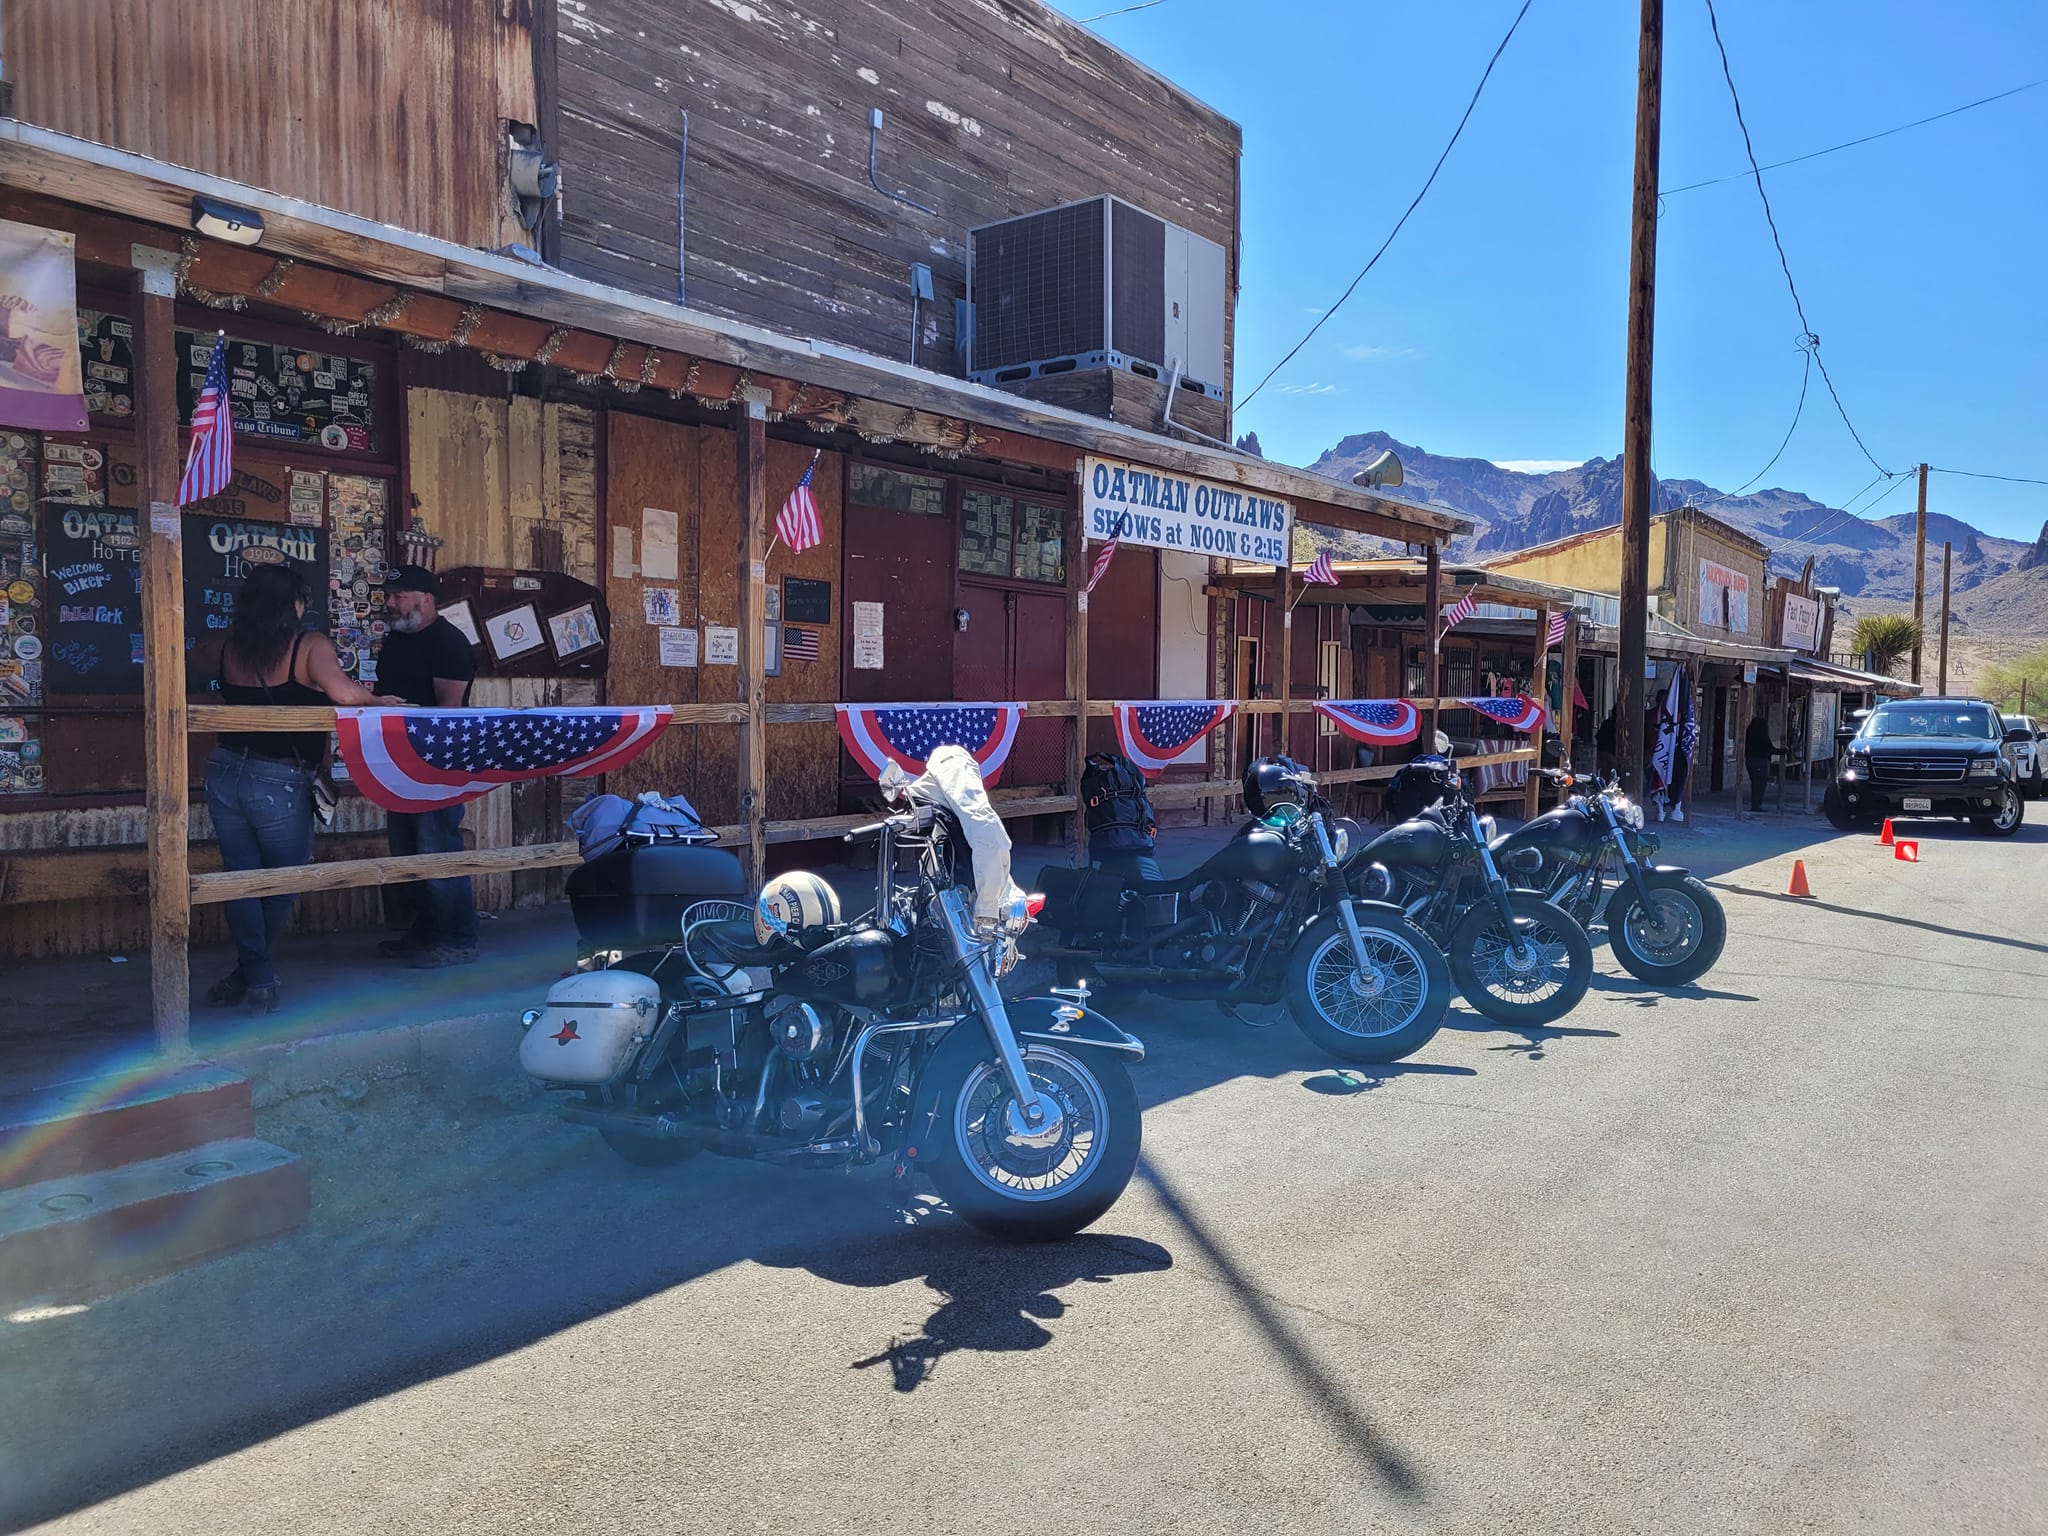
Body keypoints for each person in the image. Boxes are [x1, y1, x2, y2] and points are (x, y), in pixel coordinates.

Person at [206, 564, 397, 1013]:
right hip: (280, 778)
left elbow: (197, 666)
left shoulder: (225, 646)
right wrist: (379, 700)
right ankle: (256, 977)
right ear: (293, 603)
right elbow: (345, 695)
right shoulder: (309, 645)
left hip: (225, 770)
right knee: (282, 881)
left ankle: (250, 975)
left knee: (241, 879)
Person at [377, 564, 480, 967]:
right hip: (398, 761)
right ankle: (425, 930)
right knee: (406, 850)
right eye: (389, 595)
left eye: (398, 596)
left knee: (438, 847)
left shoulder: (449, 642)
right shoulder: (396, 641)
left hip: (439, 763)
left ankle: (458, 938)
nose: (390, 603)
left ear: (426, 599)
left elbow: (448, 712)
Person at [1745, 712, 1776, 814]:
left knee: (1754, 783)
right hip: (1760, 762)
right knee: (1760, 785)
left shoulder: (1749, 734)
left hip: (1750, 761)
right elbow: (1770, 749)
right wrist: (1784, 751)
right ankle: (1756, 805)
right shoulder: (1763, 736)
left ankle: (1755, 804)